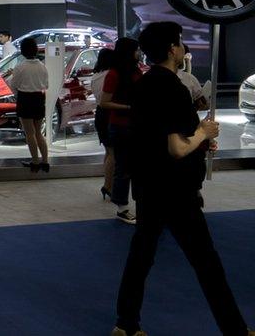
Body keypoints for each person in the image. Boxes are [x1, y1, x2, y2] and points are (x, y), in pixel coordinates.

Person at [112, 21, 253, 336]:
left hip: (148, 187)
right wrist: (203, 132)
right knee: (207, 264)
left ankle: (125, 324)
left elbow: (157, 137)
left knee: (141, 257)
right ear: (171, 49)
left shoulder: (144, 85)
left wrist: (199, 140)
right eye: (179, 41)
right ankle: (235, 329)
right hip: (176, 191)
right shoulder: (172, 88)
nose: (183, 46)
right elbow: (176, 148)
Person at [101, 37, 142, 225]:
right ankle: (122, 208)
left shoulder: (136, 71)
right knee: (123, 168)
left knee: (135, 168)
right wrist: (128, 108)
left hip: (136, 125)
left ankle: (137, 206)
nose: (139, 53)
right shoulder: (114, 74)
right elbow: (104, 102)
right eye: (136, 50)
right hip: (120, 126)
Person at [5, 37, 50, 172]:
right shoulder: (43, 67)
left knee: (29, 133)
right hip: (39, 99)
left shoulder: (20, 67)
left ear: (23, 51)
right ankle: (45, 161)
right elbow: (46, 85)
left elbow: (13, 86)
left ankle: (35, 161)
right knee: (38, 133)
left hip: (25, 99)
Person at [91, 48, 116, 201]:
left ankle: (108, 184)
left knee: (108, 152)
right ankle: (108, 186)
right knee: (113, 154)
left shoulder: (96, 76)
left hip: (100, 114)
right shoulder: (111, 75)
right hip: (109, 114)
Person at [178, 44, 209, 111]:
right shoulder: (188, 79)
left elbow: (203, 105)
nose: (186, 60)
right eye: (184, 57)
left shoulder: (189, 78)